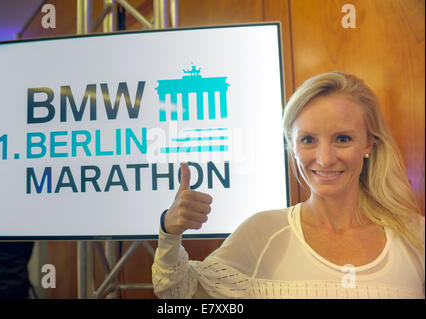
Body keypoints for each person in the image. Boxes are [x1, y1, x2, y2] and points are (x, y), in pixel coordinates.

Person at [151, 71, 425, 299]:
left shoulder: (416, 237)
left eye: (342, 138)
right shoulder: (261, 234)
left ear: (368, 144)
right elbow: (179, 295)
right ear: (292, 147)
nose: (325, 158)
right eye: (308, 140)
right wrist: (169, 232)